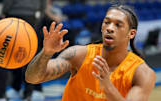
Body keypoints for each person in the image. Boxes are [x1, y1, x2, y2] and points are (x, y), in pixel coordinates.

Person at [25, 4, 156, 101]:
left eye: (118, 25)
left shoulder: (142, 73)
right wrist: (46, 53)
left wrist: (107, 86)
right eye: (107, 22)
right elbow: (32, 78)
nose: (110, 28)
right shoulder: (79, 55)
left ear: (131, 33)